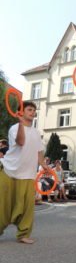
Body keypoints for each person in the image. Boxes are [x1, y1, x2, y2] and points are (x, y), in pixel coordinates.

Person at [0, 101, 48, 244]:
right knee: (3, 207)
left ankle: (23, 234)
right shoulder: (15, 128)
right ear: (21, 112)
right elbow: (21, 142)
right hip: (9, 171)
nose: (33, 112)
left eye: (34, 110)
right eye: (29, 109)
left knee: (27, 208)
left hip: (28, 175)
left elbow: (39, 152)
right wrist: (21, 123)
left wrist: (44, 165)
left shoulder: (36, 132)